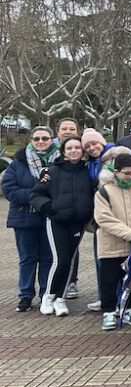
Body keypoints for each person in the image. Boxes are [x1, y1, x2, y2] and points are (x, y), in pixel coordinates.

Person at [29, 136, 92, 317]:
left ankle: (60, 298)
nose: (73, 151)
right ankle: (48, 296)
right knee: (60, 260)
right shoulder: (52, 171)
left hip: (78, 222)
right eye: (69, 148)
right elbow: (36, 194)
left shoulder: (88, 172)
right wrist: (48, 207)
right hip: (57, 221)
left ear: (82, 151)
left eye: (77, 147)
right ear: (64, 152)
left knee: (70, 262)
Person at [93, 153, 131, 330]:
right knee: (109, 280)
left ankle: (129, 309)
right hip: (110, 246)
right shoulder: (104, 191)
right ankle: (109, 312)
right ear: (116, 171)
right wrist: (130, 234)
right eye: (127, 173)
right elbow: (104, 218)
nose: (130, 177)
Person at [3, 126, 57, 312]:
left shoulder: (58, 161)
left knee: (47, 258)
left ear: (51, 139)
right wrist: (36, 195)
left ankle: (45, 294)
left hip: (49, 217)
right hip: (24, 217)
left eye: (45, 138)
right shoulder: (18, 163)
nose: (41, 142)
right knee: (27, 258)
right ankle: (25, 295)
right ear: (31, 141)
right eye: (37, 139)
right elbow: (9, 189)